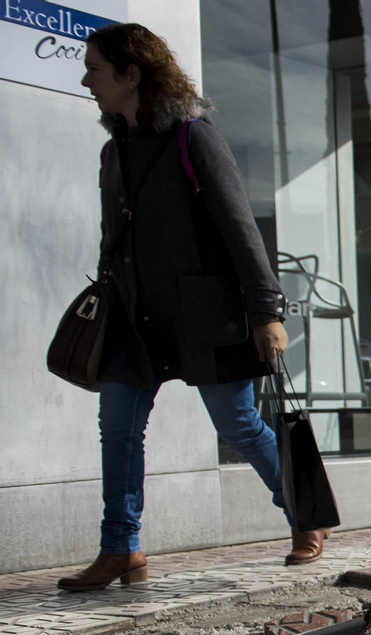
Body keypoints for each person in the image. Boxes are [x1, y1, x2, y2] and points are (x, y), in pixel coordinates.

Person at [60, 24, 329, 592]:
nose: (86, 80)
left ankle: (304, 516)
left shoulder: (192, 138)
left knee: (236, 423)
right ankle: (120, 548)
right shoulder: (113, 152)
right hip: (133, 318)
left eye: (96, 69)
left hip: (206, 315)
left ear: (132, 74)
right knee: (118, 429)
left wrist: (265, 310)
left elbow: (239, 228)